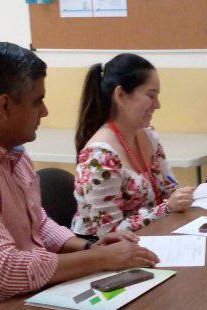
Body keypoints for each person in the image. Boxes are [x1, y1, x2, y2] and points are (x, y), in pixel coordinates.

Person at [0, 42, 159, 310]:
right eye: (37, 101)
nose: (44, 112)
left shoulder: (11, 148)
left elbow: (38, 224)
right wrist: (101, 258)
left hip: (37, 293)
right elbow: (1, 273)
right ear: (4, 106)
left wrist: (88, 248)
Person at [72, 53, 194, 238]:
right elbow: (109, 233)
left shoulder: (148, 135)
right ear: (120, 95)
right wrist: (167, 208)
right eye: (151, 95)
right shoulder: (99, 156)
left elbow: (169, 189)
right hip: (106, 249)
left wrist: (182, 197)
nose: (158, 105)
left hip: (152, 237)